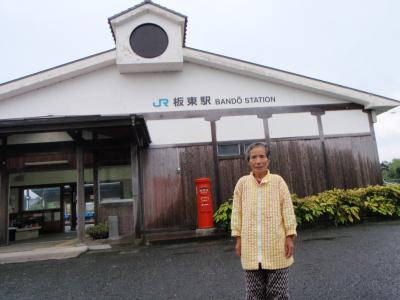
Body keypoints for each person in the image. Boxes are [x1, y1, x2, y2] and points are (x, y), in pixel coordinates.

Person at [231, 142, 297, 300]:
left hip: (276, 246)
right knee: (254, 294)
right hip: (251, 248)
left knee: (279, 294)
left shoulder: (278, 181)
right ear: (248, 161)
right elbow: (236, 213)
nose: (258, 161)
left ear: (268, 159)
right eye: (253, 157)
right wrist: (238, 239)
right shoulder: (242, 184)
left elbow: (287, 209)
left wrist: (290, 236)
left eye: (262, 156)